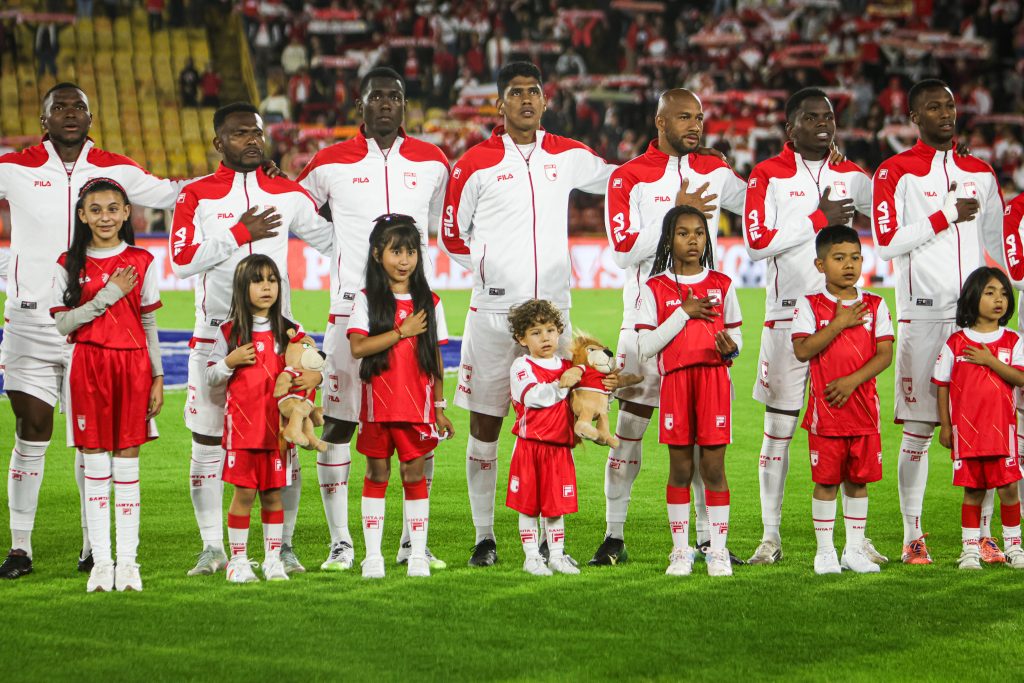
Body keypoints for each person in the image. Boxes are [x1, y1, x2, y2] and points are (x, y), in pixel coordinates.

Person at [0, 83, 190, 580]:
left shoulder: (116, 169)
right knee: (32, 428)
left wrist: (240, 177)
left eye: (78, 106)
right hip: (31, 321)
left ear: (91, 117)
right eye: (59, 107)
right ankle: (20, 547)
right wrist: (9, 267)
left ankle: (93, 547)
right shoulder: (14, 167)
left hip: (98, 332)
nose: (70, 113)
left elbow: (176, 193)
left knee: (96, 440)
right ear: (43, 120)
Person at [439, 61, 614, 567]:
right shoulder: (474, 163)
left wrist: (676, 162)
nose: (526, 99)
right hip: (495, 313)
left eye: (533, 91)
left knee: (555, 427)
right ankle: (485, 537)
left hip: (554, 317)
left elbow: (619, 179)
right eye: (515, 92)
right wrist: (490, 269)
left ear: (545, 100)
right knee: (486, 427)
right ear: (500, 104)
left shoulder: (567, 154)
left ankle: (549, 541)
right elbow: (451, 234)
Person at [296, 66, 450, 572]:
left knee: (418, 426)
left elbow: (439, 222)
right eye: (376, 96)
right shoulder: (328, 162)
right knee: (340, 424)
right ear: (359, 105)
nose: (386, 104)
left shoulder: (432, 160)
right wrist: (337, 246)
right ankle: (341, 542)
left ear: (404, 105)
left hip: (415, 306)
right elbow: (298, 209)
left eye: (395, 97)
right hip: (352, 309)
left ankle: (411, 543)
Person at [170, 102, 333, 578]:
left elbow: (332, 241)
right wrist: (240, 232)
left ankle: (283, 547)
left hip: (279, 342)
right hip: (215, 337)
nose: (252, 140)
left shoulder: (286, 191)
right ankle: (212, 548)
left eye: (257, 133)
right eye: (240, 134)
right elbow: (181, 260)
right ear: (218, 142)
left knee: (285, 439)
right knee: (207, 441)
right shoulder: (196, 194)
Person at [596, 87, 746, 566]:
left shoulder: (714, 170)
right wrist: (673, 211)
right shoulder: (627, 177)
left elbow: (759, 201)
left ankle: (707, 540)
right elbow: (622, 251)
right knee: (628, 433)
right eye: (684, 117)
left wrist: (820, 165)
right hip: (645, 325)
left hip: (702, 325)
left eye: (699, 117)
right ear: (660, 122)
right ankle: (614, 536)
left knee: (703, 443)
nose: (695, 126)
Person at [871, 79, 1004, 564]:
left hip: (977, 323)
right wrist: (945, 214)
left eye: (950, 105)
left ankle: (984, 536)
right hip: (923, 316)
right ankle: (913, 536)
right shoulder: (894, 172)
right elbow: (886, 242)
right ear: (914, 117)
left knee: (986, 431)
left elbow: (998, 243)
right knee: (919, 432)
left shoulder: (981, 172)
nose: (946, 113)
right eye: (933, 107)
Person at [743, 87, 873, 565]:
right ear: (790, 127)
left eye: (829, 117)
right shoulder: (767, 175)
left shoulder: (851, 174)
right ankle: (770, 537)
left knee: (851, 433)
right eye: (812, 117)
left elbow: (893, 208)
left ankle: (856, 540)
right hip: (787, 319)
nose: (823, 124)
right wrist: (819, 217)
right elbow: (756, 242)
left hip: (847, 320)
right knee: (778, 430)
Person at [49, 178, 164, 592]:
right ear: (82, 215)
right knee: (95, 465)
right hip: (89, 365)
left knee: (128, 465)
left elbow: (148, 321)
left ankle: (128, 563)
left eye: (113, 209)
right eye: (95, 210)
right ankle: (102, 562)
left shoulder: (142, 260)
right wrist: (108, 294)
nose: (105, 217)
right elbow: (63, 323)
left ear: (126, 213)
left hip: (133, 366)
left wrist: (157, 376)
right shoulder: (68, 263)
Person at [635, 205, 742, 577]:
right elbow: (645, 347)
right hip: (676, 383)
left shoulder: (722, 283)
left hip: (714, 380)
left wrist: (732, 349)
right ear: (669, 239)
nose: (693, 240)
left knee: (714, 468)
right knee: (680, 468)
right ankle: (681, 551)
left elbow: (736, 336)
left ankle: (718, 551)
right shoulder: (655, 287)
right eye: (683, 233)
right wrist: (683, 312)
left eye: (699, 233)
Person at [347, 215, 453, 579]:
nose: (404, 260)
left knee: (414, 474)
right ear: (378, 254)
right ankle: (372, 556)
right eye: (396, 252)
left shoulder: (431, 302)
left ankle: (417, 554)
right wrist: (401, 331)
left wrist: (439, 406)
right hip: (377, 407)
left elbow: (435, 357)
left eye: (411, 252)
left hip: (417, 408)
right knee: (377, 473)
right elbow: (358, 347)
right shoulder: (366, 300)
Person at [790, 225, 893, 575]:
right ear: (820, 265)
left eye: (855, 257)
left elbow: (884, 355)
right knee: (826, 482)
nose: (849, 265)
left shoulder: (876, 304)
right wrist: (838, 323)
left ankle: (854, 550)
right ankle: (825, 552)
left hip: (864, 412)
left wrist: (851, 381)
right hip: (827, 414)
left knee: (858, 482)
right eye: (839, 258)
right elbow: (802, 350)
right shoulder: (809, 304)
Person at [205, 255, 301, 583]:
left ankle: (272, 559)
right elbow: (211, 376)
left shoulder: (290, 331)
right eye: (258, 281)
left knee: (273, 495)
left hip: (278, 432)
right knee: (244, 494)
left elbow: (309, 369)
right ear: (242, 288)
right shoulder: (229, 331)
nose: (266, 287)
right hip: (243, 431)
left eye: (272, 280)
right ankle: (238, 561)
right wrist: (229, 362)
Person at [933, 267, 1024, 570]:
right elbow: (942, 386)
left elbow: (1020, 378)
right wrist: (946, 426)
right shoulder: (956, 342)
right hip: (967, 433)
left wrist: (989, 360)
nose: (999, 299)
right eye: (990, 292)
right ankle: (970, 550)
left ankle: (1014, 547)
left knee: (1008, 488)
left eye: (1004, 294)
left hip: (1002, 432)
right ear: (973, 297)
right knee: (973, 491)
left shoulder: (1013, 340)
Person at [506, 300, 583, 576]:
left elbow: (590, 394)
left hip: (559, 448)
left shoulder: (568, 365)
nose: (545, 337)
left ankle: (556, 556)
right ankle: (531, 558)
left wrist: (589, 375)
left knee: (555, 507)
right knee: (528, 507)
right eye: (536, 332)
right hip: (529, 447)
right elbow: (533, 397)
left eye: (550, 330)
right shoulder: (521, 366)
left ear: (559, 332)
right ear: (522, 338)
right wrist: (563, 383)